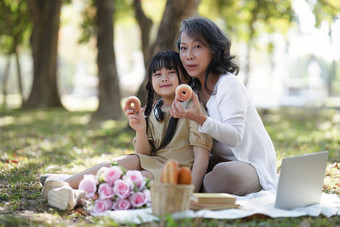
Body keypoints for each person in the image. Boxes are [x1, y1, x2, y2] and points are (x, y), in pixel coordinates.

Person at [41, 50, 212, 210]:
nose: (164, 78)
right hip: (154, 163)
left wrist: (190, 193)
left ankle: (76, 196)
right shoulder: (155, 110)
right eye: (157, 74)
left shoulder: (192, 110)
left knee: (130, 181)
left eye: (171, 72)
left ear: (186, 78)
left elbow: (201, 158)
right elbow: (144, 153)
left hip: (175, 172)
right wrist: (140, 129)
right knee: (122, 162)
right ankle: (66, 183)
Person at [170, 17, 278, 196]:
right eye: (183, 48)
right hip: (212, 161)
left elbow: (234, 137)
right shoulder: (191, 90)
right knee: (172, 167)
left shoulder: (228, 85)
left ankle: (193, 189)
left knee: (218, 179)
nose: (188, 55)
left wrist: (200, 118)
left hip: (248, 163)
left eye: (197, 47)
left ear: (214, 50)